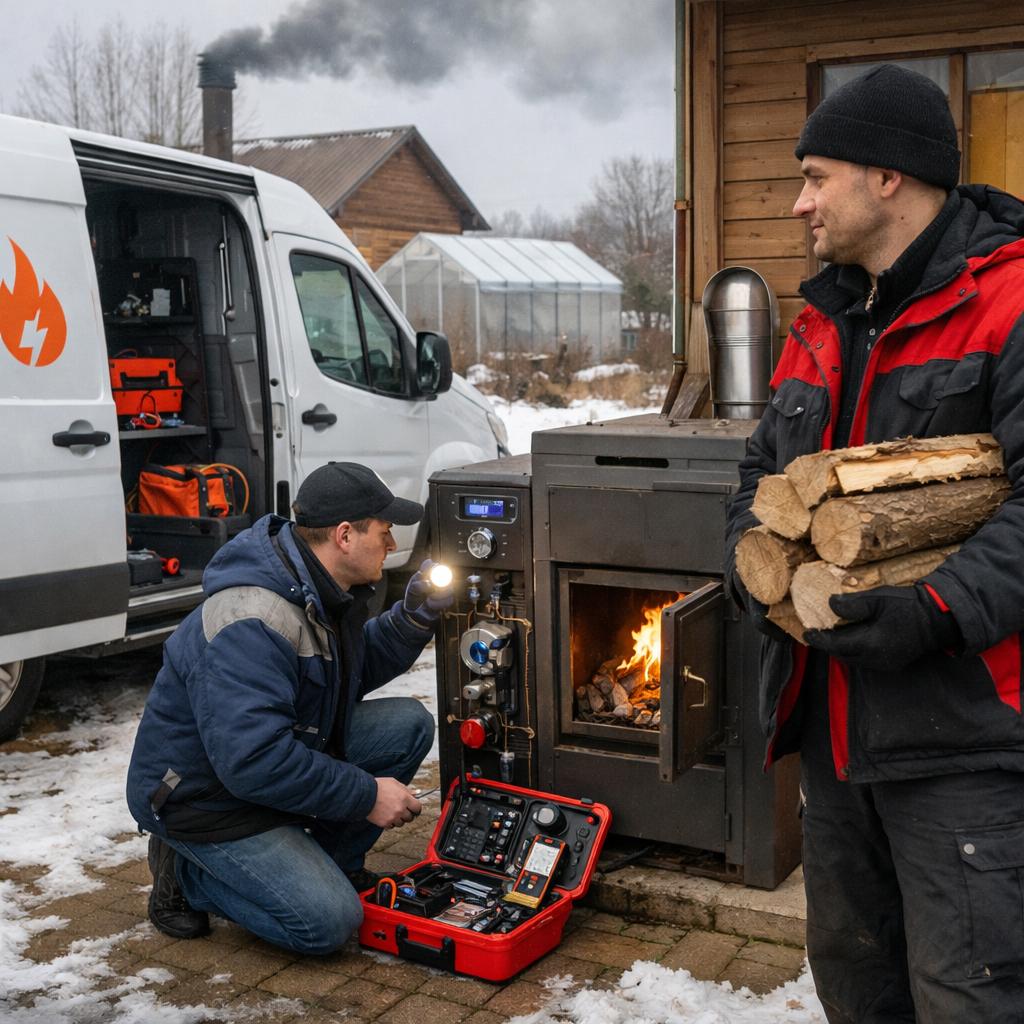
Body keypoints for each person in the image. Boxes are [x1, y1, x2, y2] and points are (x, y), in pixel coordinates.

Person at [725, 65, 1024, 1022]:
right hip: (834, 733)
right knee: (856, 986)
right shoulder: (823, 316)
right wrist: (752, 570)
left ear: (888, 176)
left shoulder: (1010, 301)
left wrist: (932, 612)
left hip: (962, 746)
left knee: (967, 997)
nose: (801, 203)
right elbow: (760, 472)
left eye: (816, 177)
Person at [126, 461, 453, 955]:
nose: (391, 544)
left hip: (260, 763)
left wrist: (411, 619)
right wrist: (366, 795)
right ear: (345, 535)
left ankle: (332, 864)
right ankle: (187, 875)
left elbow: (341, 676)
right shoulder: (250, 620)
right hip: (206, 799)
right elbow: (253, 761)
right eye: (384, 531)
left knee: (406, 725)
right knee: (326, 922)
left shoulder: (316, 586)